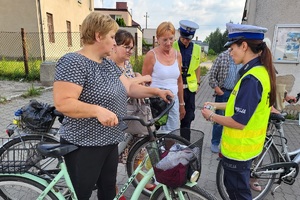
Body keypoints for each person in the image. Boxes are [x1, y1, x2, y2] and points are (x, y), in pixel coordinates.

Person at [53, 12, 173, 200]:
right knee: (81, 195)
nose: (114, 43)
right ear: (98, 36)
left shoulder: (106, 64)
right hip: (84, 143)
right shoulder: (73, 62)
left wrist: (157, 91)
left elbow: (130, 88)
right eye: (111, 37)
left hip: (109, 140)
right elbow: (63, 102)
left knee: (108, 190)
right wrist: (97, 110)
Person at [201, 23, 277, 200]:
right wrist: (216, 105)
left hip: (239, 152)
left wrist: (211, 116)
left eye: (232, 47)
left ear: (244, 46)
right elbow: (243, 106)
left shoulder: (251, 78)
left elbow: (239, 121)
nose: (230, 52)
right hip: (245, 150)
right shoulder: (258, 71)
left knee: (238, 195)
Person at [107, 29, 156, 192]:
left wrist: (136, 75)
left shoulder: (126, 63)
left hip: (132, 114)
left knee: (138, 150)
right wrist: (143, 78)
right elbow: (125, 86)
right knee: (112, 156)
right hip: (116, 115)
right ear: (115, 46)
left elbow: (130, 81)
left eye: (131, 48)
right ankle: (111, 189)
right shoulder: (109, 63)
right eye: (126, 47)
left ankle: (143, 182)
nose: (129, 51)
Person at [142, 21, 185, 133]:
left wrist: (181, 104)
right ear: (158, 39)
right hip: (156, 104)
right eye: (164, 40)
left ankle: (169, 151)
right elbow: (144, 82)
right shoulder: (151, 55)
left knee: (173, 134)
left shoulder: (177, 55)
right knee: (156, 135)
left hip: (173, 103)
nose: (168, 43)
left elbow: (179, 81)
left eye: (171, 39)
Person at [208, 49, 243, 153]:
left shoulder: (243, 58)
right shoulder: (222, 56)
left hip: (238, 94)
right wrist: (218, 90)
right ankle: (215, 142)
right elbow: (212, 76)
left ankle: (230, 144)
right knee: (219, 120)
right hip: (224, 93)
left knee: (235, 120)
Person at [173, 20, 201, 141]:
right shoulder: (172, 46)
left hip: (190, 88)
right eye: (184, 38)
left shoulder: (197, 48)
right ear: (180, 34)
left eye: (188, 39)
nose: (186, 41)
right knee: (174, 118)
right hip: (175, 87)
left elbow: (198, 66)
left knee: (188, 118)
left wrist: (198, 82)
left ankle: (185, 145)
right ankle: (172, 143)